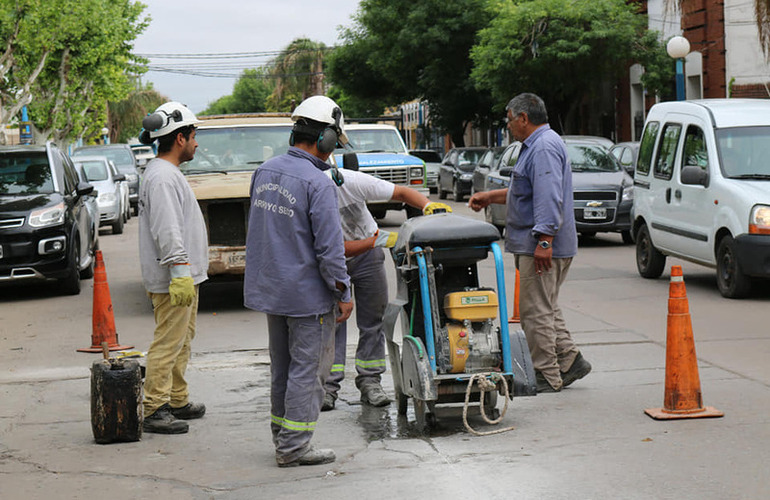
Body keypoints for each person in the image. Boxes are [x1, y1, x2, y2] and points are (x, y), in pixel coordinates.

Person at [244, 95, 353, 468]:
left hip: (273, 291)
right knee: (308, 372)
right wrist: (343, 290)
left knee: (284, 369)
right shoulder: (317, 183)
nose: (334, 148)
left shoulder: (265, 171)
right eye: (334, 140)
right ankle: (294, 448)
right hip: (307, 298)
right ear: (324, 138)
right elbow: (330, 249)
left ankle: (282, 435)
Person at [468, 92, 591, 393]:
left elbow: (549, 196)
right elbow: (527, 192)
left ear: (524, 118)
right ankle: (570, 359)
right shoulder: (535, 146)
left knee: (534, 311)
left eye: (509, 120)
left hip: (543, 244)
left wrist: (545, 241)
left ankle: (547, 374)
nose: (508, 126)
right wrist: (490, 196)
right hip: (540, 241)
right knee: (545, 306)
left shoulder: (544, 147)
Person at [321, 167, 451, 411]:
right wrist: (376, 240)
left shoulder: (351, 181)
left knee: (373, 319)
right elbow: (335, 248)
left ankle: (370, 381)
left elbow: (401, 192)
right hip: (330, 258)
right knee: (333, 320)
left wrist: (428, 207)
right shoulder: (308, 192)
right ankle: (327, 387)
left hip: (368, 257)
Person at [137, 102, 208, 434]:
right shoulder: (164, 177)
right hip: (173, 279)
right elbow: (167, 230)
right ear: (180, 138)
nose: (196, 143)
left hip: (181, 277)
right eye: (193, 136)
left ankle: (176, 399)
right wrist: (180, 271)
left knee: (181, 340)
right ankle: (154, 407)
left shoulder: (164, 173)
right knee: (168, 342)